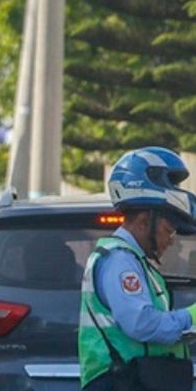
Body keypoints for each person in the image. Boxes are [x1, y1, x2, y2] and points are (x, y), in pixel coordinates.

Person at [80, 146, 196, 391]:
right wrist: (191, 316)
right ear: (144, 222)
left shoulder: (133, 260)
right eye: (169, 230)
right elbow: (142, 323)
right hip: (121, 380)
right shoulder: (120, 261)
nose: (172, 239)